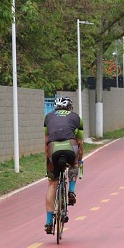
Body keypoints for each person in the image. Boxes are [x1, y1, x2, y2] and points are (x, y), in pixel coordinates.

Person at [43, 96, 83, 234]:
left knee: (52, 184)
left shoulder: (48, 117)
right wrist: (80, 160)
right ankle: (71, 190)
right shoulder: (77, 117)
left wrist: (48, 161)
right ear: (69, 107)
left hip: (53, 149)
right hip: (70, 147)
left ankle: (48, 221)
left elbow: (46, 142)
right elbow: (80, 143)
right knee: (74, 164)